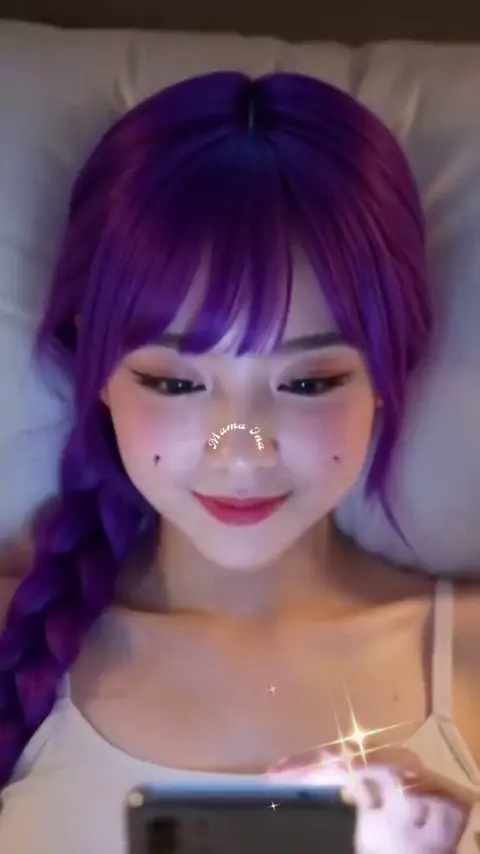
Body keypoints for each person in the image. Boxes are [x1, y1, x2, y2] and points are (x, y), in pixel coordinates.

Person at [0, 70, 478, 854]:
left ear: (388, 374)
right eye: (176, 382)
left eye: (308, 382)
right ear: (97, 368)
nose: (242, 448)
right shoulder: (15, 642)